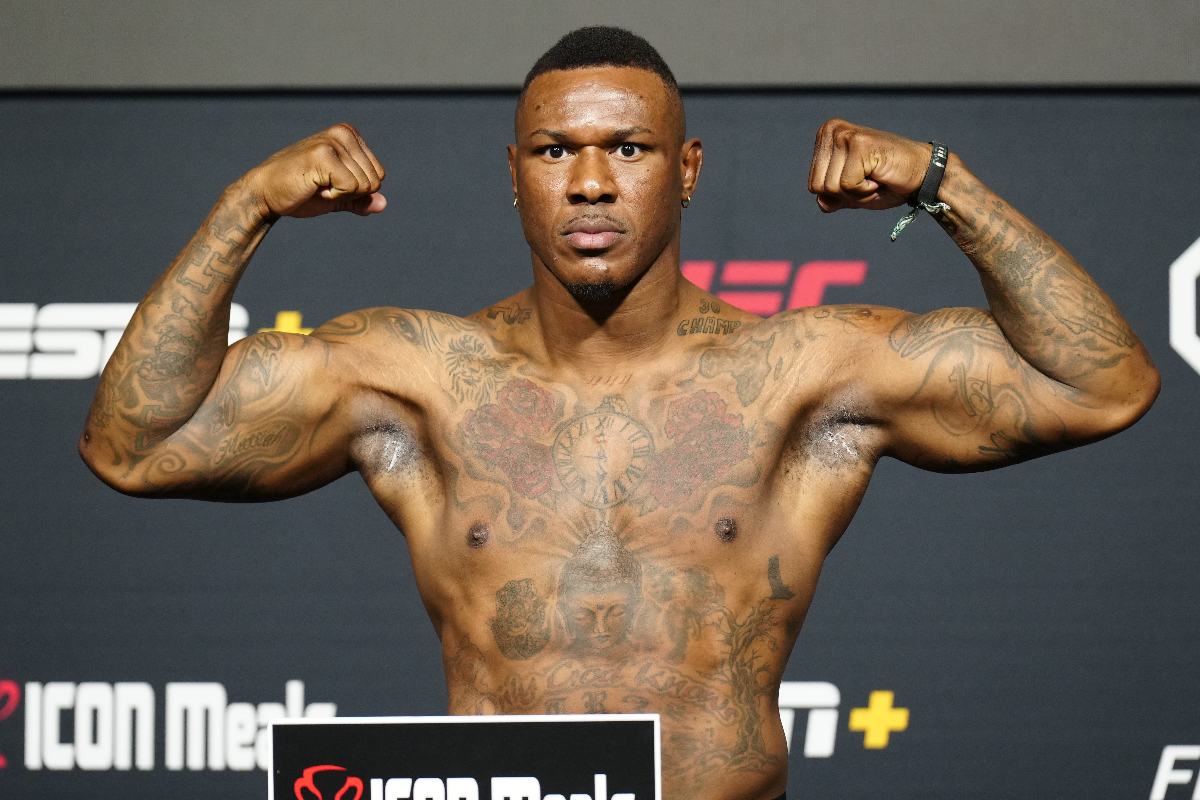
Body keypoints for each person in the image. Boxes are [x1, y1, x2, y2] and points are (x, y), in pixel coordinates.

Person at [79, 26, 1159, 800]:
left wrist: (943, 185)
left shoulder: (796, 374)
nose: (590, 183)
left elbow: (1100, 384)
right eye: (555, 152)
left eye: (628, 149)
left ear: (686, 171)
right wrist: (245, 208)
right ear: (515, 176)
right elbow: (134, 444)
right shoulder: (420, 377)